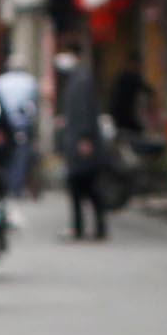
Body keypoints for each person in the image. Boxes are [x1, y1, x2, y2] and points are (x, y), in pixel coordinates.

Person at [56, 47, 112, 238]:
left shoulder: (81, 80)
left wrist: (84, 139)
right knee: (83, 187)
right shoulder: (77, 79)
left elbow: (84, 112)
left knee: (84, 186)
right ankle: (86, 227)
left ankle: (86, 227)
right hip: (78, 141)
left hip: (82, 143)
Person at [0, 51, 37, 194]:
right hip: (22, 124)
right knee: (21, 156)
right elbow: (34, 105)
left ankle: (4, 184)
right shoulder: (30, 82)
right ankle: (16, 186)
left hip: (3, 123)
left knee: (4, 155)